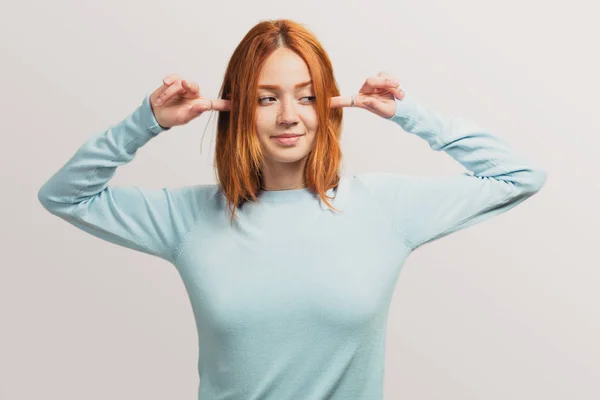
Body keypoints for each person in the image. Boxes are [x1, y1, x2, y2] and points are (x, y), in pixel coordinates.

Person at [38, 19, 546, 400]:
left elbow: (519, 177)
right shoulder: (187, 218)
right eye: (266, 99)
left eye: (306, 97)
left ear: (328, 104)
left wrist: (407, 113)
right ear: (234, 108)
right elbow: (65, 195)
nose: (288, 116)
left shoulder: (385, 208)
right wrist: (147, 121)